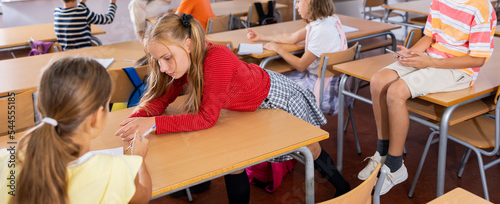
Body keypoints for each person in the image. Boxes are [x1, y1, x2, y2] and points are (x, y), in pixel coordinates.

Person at [115, 14, 350, 203]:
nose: (163, 67)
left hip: (275, 97)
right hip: (242, 107)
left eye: (166, 58)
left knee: (311, 148)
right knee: (235, 163)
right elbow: (161, 99)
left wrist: (154, 123)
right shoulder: (181, 61)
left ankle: (343, 187)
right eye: (158, 61)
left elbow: (206, 118)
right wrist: (135, 119)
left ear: (187, 44)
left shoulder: (216, 58)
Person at [357, 0, 497, 195]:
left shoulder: (481, 8)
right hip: (432, 58)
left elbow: (477, 59)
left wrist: (429, 62)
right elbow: (429, 36)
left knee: (397, 91)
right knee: (378, 80)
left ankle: (396, 166)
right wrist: (413, 52)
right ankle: (382, 151)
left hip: (459, 71)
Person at [0, 57, 152, 203]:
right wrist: (140, 159)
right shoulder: (114, 171)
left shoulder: (4, 159)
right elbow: (143, 196)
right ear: (96, 117)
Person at [247, 0, 348, 115]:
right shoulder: (329, 20)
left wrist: (278, 49)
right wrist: (261, 37)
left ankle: (284, 130)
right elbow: (292, 38)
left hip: (325, 93)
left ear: (310, 1)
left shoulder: (321, 30)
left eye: (298, 1)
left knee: (266, 88)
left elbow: (301, 65)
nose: (296, 6)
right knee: (272, 78)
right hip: (331, 85)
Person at [54, 0, 119, 50]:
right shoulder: (83, 12)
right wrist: (113, 2)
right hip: (85, 58)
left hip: (68, 59)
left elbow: (74, 12)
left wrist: (83, 0)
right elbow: (108, 19)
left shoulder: (57, 13)